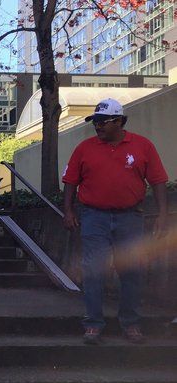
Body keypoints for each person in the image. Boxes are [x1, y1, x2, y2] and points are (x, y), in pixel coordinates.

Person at [62, 98, 168, 345]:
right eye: (95, 122)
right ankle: (93, 324)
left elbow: (158, 181)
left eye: (103, 122)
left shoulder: (142, 146)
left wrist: (163, 214)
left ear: (119, 121)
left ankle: (130, 324)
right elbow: (70, 181)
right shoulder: (84, 148)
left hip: (130, 217)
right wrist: (68, 210)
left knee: (131, 271)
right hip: (93, 216)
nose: (97, 126)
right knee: (94, 270)